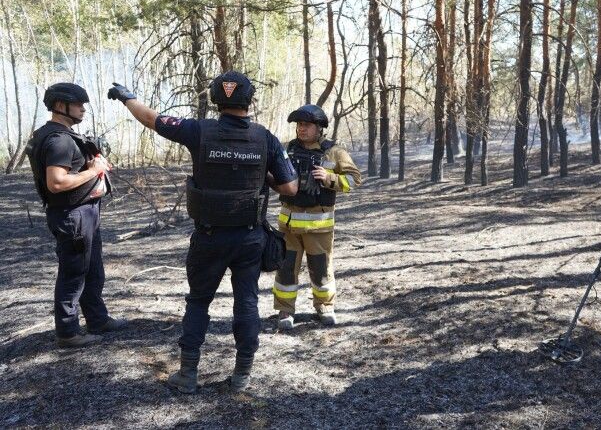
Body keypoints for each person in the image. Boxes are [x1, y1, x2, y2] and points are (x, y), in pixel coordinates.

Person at [108, 72, 297, 393]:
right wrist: (261, 173)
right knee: (247, 302)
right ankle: (242, 376)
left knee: (198, 302)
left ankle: (188, 375)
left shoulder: (197, 130)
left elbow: (152, 119)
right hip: (250, 237)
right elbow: (290, 187)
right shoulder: (265, 138)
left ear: (215, 99)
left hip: (208, 238)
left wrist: (127, 97)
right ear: (250, 101)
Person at [26, 83, 126, 348]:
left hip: (84, 213)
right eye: (79, 105)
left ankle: (97, 319)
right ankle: (68, 332)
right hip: (73, 217)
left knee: (93, 270)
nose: (83, 109)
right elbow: (56, 183)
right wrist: (94, 171)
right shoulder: (58, 139)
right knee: (73, 274)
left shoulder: (59, 134)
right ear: (61, 106)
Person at [273, 104, 362, 329]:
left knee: (321, 270)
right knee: (285, 270)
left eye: (306, 125)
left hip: (319, 226)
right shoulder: (287, 149)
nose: (301, 129)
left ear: (319, 128)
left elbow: (354, 180)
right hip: (289, 226)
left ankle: (325, 307)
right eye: (299, 125)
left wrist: (329, 177)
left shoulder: (334, 152)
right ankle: (285, 311)